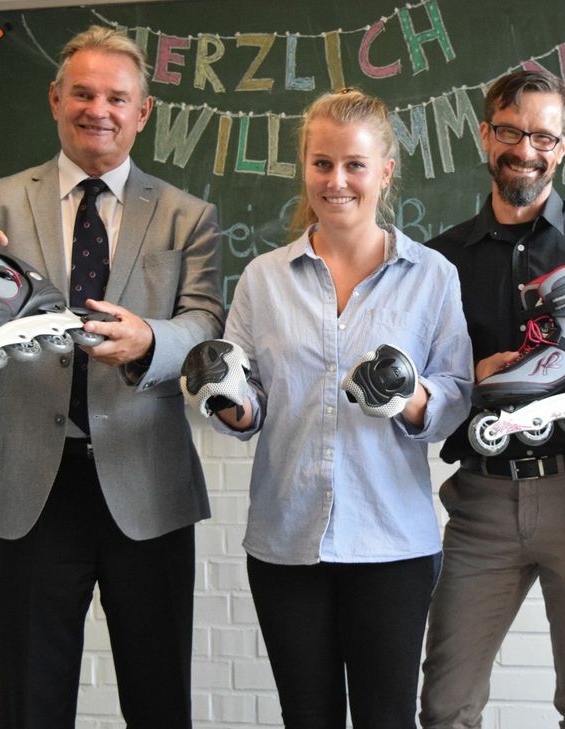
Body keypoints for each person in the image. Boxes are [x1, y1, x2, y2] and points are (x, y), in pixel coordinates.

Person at [0, 26, 224, 728]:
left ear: (143, 112)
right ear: (54, 99)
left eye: (116, 97)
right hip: (26, 486)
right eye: (82, 92)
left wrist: (148, 339)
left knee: (159, 699)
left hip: (147, 482)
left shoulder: (187, 216)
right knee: (31, 703)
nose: (97, 109)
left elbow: (204, 325)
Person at [185, 88, 472, 728]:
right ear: (305, 168)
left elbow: (455, 402)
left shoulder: (432, 277)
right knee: (307, 717)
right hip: (286, 543)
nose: (336, 181)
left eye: (354, 165)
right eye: (321, 164)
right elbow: (250, 403)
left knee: (385, 719)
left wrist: (410, 395)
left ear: (386, 171)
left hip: (392, 546)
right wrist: (226, 398)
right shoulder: (263, 278)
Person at [420, 69, 565, 728]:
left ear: (562, 145)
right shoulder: (440, 261)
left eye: (542, 136)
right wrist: (465, 375)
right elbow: (417, 382)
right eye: (510, 131)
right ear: (483, 135)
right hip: (481, 499)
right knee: (444, 703)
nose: (525, 148)